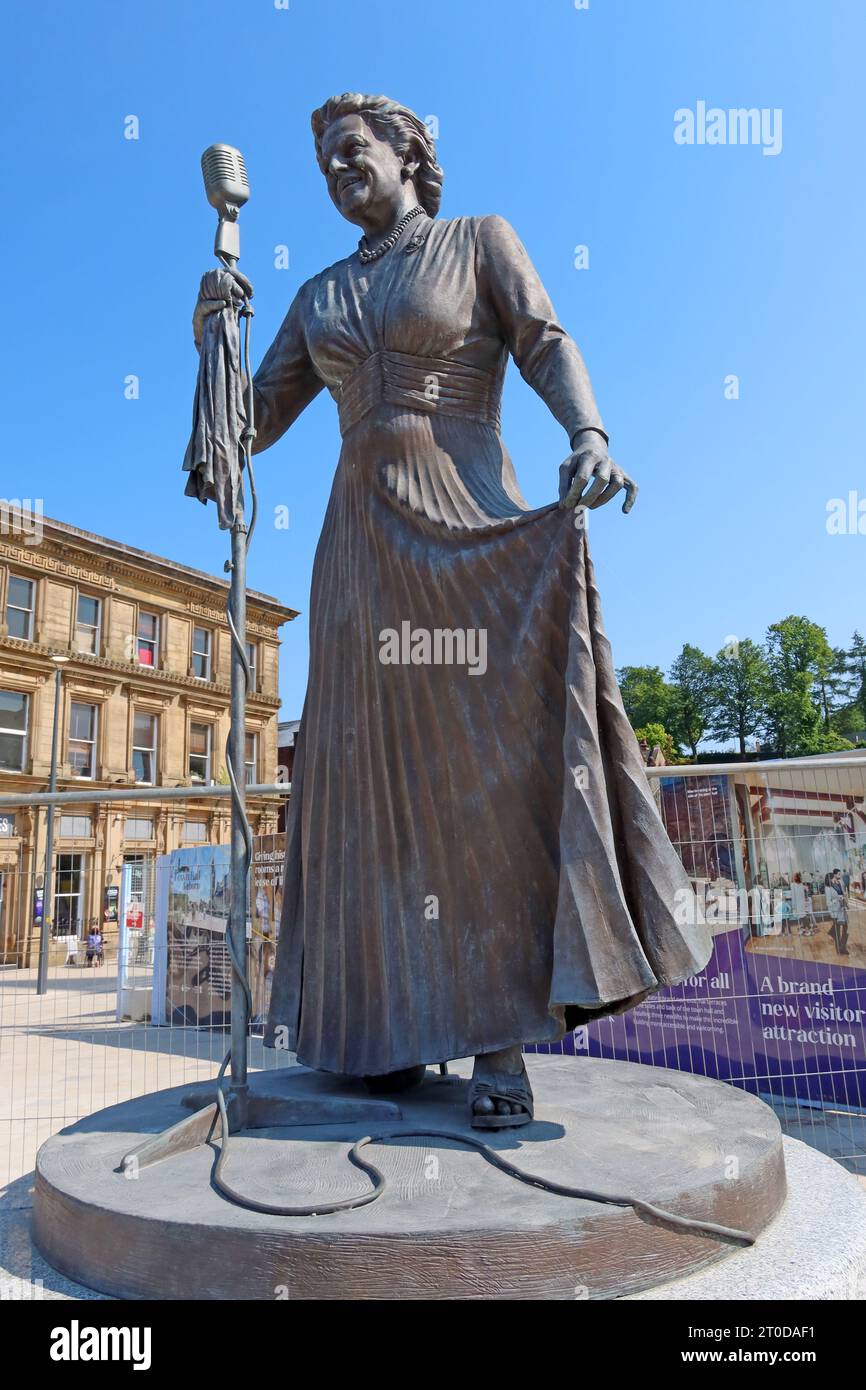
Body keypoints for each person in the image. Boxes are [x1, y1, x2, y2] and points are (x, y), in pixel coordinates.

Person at [192, 93, 710, 1127]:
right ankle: (380, 1028)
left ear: (407, 154)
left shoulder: (478, 242)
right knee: (365, 791)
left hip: (467, 528)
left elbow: (545, 339)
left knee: (480, 788)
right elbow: (245, 434)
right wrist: (215, 332)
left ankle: (496, 1042)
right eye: (324, 162)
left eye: (353, 151)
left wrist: (589, 432)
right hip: (359, 556)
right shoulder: (318, 292)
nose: (338, 170)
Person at [825, 871, 849, 957]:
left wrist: (844, 900)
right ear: (830, 879)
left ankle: (842, 946)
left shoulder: (838, 884)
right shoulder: (828, 888)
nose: (835, 878)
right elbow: (828, 903)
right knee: (838, 932)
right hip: (835, 912)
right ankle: (840, 949)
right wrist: (837, 900)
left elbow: (842, 894)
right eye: (833, 877)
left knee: (846, 928)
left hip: (842, 910)